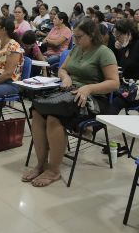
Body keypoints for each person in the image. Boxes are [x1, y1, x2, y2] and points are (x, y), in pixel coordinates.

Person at [22, 19, 119, 187]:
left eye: (79, 36)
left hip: (94, 98)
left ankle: (54, 170)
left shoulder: (104, 52)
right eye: (74, 36)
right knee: (37, 111)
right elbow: (62, 69)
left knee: (54, 117)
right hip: (70, 93)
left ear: (92, 35)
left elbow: (114, 83)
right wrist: (65, 77)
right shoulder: (76, 49)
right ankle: (41, 164)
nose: (75, 40)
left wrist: (88, 88)